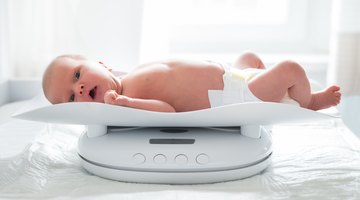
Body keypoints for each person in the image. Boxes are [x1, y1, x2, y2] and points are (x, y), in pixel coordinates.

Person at [42, 52, 341, 112]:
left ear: (102, 64)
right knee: (290, 68)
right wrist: (128, 103)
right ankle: (310, 101)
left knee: (248, 57)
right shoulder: (126, 100)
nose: (78, 88)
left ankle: (245, 68)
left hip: (230, 75)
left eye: (77, 75)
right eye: (70, 98)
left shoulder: (130, 75)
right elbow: (167, 110)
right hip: (237, 96)